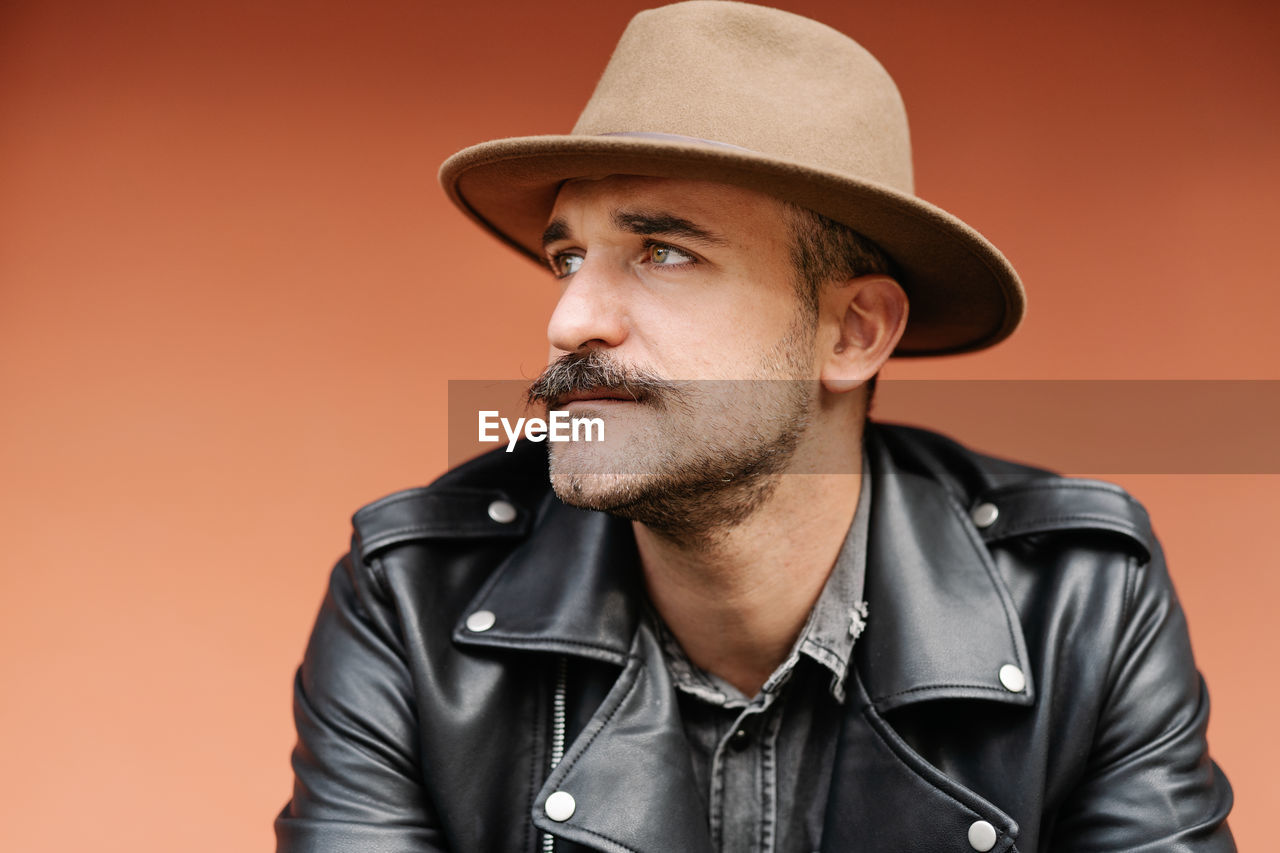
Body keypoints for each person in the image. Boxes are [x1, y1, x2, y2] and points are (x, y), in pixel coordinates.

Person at [274, 2, 1234, 851]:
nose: (570, 323)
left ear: (854, 332)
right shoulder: (413, 597)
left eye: (664, 251)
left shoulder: (1079, 598)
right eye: (568, 258)